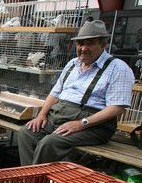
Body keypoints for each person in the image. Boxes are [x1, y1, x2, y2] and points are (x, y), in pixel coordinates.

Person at [17, 20, 135, 165]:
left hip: (93, 125)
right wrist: (41, 115)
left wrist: (82, 123)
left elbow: (117, 108)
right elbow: (55, 93)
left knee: (49, 143)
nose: (84, 48)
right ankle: (31, 180)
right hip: (59, 116)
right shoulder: (72, 64)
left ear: (103, 44)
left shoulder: (118, 68)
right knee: (26, 133)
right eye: (80, 43)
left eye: (90, 43)